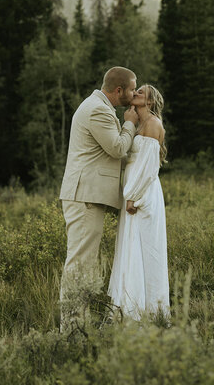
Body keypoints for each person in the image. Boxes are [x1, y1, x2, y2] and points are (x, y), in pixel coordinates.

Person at [60, 66, 139, 301]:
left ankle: (76, 324)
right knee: (79, 264)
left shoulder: (99, 106)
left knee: (83, 262)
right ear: (118, 90)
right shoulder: (98, 110)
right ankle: (72, 329)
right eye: (132, 90)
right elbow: (116, 148)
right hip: (84, 196)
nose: (134, 95)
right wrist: (130, 123)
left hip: (86, 195)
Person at [108, 84, 169, 320]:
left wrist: (134, 196)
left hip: (143, 195)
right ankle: (129, 308)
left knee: (145, 249)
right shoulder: (139, 124)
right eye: (136, 90)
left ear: (151, 101)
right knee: (131, 247)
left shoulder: (153, 124)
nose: (135, 94)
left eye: (141, 92)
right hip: (131, 194)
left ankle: (151, 312)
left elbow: (149, 167)